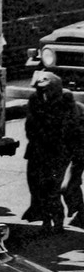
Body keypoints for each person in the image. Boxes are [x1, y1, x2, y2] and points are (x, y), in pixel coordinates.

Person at [22, 72, 81, 233]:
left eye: (46, 89)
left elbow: (70, 129)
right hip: (38, 150)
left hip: (59, 152)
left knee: (53, 189)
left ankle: (58, 222)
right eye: (40, 90)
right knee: (37, 188)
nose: (43, 93)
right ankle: (45, 221)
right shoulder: (35, 100)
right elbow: (30, 126)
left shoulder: (66, 101)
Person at [62, 97, 84, 229]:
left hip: (78, 156)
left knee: (68, 186)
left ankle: (79, 213)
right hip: (73, 155)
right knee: (68, 186)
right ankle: (79, 213)